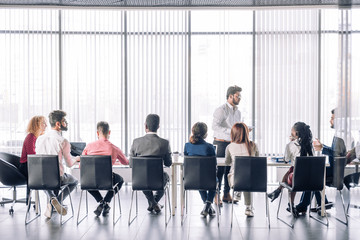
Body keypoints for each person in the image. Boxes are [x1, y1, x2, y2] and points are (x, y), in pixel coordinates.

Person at [298, 109, 347, 213]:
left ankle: (309, 205)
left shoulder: (340, 136)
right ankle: (321, 203)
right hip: (334, 170)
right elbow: (335, 151)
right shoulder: (339, 135)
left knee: (313, 176)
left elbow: (336, 154)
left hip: (335, 173)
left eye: (332, 118)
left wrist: (322, 148)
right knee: (313, 175)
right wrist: (323, 146)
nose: (330, 121)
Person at [35, 110, 79, 218]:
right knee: (74, 181)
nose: (66, 123)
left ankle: (52, 200)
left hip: (40, 177)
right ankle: (56, 202)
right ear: (58, 124)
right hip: (57, 177)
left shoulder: (39, 139)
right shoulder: (63, 141)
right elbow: (69, 164)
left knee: (45, 180)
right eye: (64, 121)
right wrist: (77, 159)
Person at [82, 121, 129, 217]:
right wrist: (114, 160)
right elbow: (126, 162)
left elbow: (82, 165)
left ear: (97, 133)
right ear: (109, 132)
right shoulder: (114, 148)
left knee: (86, 182)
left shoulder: (88, 146)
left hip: (89, 180)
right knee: (120, 181)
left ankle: (101, 202)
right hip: (107, 180)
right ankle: (106, 202)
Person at [267, 122, 314, 217]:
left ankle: (286, 199)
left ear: (296, 133)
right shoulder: (311, 146)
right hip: (311, 181)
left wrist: (292, 142)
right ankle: (279, 192)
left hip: (297, 181)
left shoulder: (290, 145)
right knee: (294, 171)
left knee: (293, 171)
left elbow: (286, 159)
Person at [129, 114, 172, 213]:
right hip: (158, 180)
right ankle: (155, 203)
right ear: (158, 127)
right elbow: (168, 163)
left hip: (140, 180)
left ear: (145, 126)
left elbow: (131, 164)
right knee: (165, 177)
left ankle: (153, 203)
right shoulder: (165, 143)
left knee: (142, 177)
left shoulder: (136, 142)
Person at [212, 85, 243, 206]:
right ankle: (216, 195)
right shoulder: (221, 110)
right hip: (220, 143)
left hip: (232, 143)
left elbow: (235, 127)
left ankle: (226, 194)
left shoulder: (238, 112)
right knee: (219, 170)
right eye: (237, 96)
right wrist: (230, 131)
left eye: (240, 96)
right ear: (230, 96)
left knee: (229, 170)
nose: (239, 98)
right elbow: (215, 127)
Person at [225, 123, 259, 217]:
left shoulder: (230, 146)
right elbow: (257, 161)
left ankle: (238, 190)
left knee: (240, 178)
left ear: (233, 133)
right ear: (246, 133)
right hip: (252, 180)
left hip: (236, 180)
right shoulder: (253, 145)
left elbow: (227, 162)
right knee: (247, 180)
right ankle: (248, 208)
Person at [184, 122, 216, 217]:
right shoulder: (210, 147)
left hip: (191, 180)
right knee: (214, 180)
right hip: (208, 180)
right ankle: (208, 205)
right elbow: (214, 166)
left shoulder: (187, 146)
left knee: (198, 176)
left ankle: (207, 206)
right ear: (205, 134)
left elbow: (186, 163)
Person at [19, 115, 47, 204]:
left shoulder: (36, 137)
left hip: (31, 164)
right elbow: (32, 156)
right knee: (48, 175)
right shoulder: (31, 137)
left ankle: (53, 199)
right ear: (37, 125)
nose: (46, 125)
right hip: (26, 166)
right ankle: (53, 199)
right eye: (43, 123)